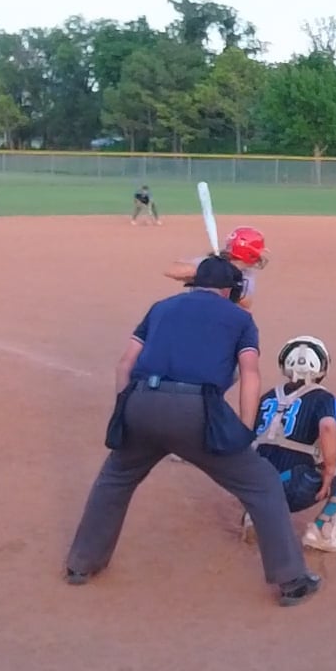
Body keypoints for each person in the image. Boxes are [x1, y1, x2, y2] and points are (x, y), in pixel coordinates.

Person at [63, 255, 322, 606]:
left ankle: (81, 564)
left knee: (114, 479)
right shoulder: (240, 318)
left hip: (141, 401)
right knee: (262, 483)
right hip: (196, 412)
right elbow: (249, 374)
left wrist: (125, 410)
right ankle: (292, 580)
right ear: (230, 290)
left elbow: (125, 364)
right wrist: (245, 430)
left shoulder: (161, 307)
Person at [240, 336, 336, 552]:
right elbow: (327, 429)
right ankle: (323, 533)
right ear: (322, 366)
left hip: (254, 487)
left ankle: (255, 517)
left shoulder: (267, 397)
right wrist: (330, 470)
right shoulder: (323, 398)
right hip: (291, 485)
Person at [166, 226, 266, 310]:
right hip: (197, 311)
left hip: (223, 316)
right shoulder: (210, 263)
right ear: (250, 254)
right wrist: (207, 271)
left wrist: (231, 286)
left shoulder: (247, 273)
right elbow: (170, 270)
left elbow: (247, 303)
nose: (260, 257)